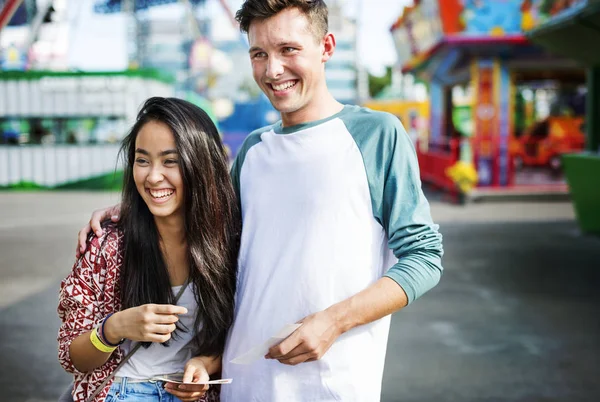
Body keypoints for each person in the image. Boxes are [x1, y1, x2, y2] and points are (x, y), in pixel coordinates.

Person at [77, 1, 444, 401]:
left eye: (288, 49)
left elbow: (424, 258)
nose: (272, 70)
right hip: (241, 387)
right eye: (259, 54)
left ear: (326, 47)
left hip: (331, 385)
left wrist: (334, 322)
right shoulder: (253, 151)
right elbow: (211, 226)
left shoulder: (376, 135)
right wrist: (130, 210)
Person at [60, 97, 240, 402]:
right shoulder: (106, 245)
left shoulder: (232, 244)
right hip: (121, 391)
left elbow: (247, 333)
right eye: (142, 160)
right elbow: (73, 357)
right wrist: (113, 328)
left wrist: (204, 365)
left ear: (201, 164)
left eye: (170, 161)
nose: (153, 176)